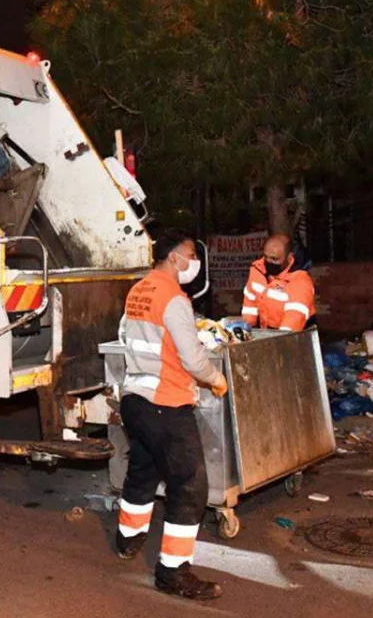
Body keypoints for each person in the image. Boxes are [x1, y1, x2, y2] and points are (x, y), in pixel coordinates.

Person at [114, 229, 227, 601]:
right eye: (192, 254)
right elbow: (193, 358)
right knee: (190, 484)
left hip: (135, 400)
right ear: (175, 256)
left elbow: (126, 338)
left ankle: (128, 539)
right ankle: (172, 572)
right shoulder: (174, 299)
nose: (194, 262)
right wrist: (216, 380)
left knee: (144, 469)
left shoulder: (139, 290)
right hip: (166, 404)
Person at [241, 233, 315, 331]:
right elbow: (249, 306)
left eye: (274, 259)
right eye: (265, 256)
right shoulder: (257, 270)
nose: (268, 261)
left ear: (289, 258)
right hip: (266, 333)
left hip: (295, 339)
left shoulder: (300, 281)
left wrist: (278, 342)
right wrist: (245, 332)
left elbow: (293, 321)